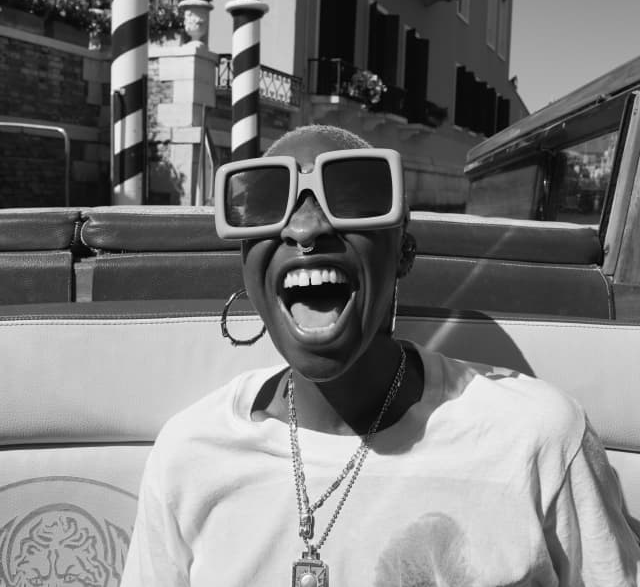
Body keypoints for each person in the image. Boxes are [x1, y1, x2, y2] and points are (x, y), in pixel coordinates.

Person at [120, 124, 640, 586]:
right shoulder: (189, 454)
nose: (305, 229)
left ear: (403, 257)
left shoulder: (539, 439)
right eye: (265, 202)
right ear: (246, 269)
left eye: (352, 196)